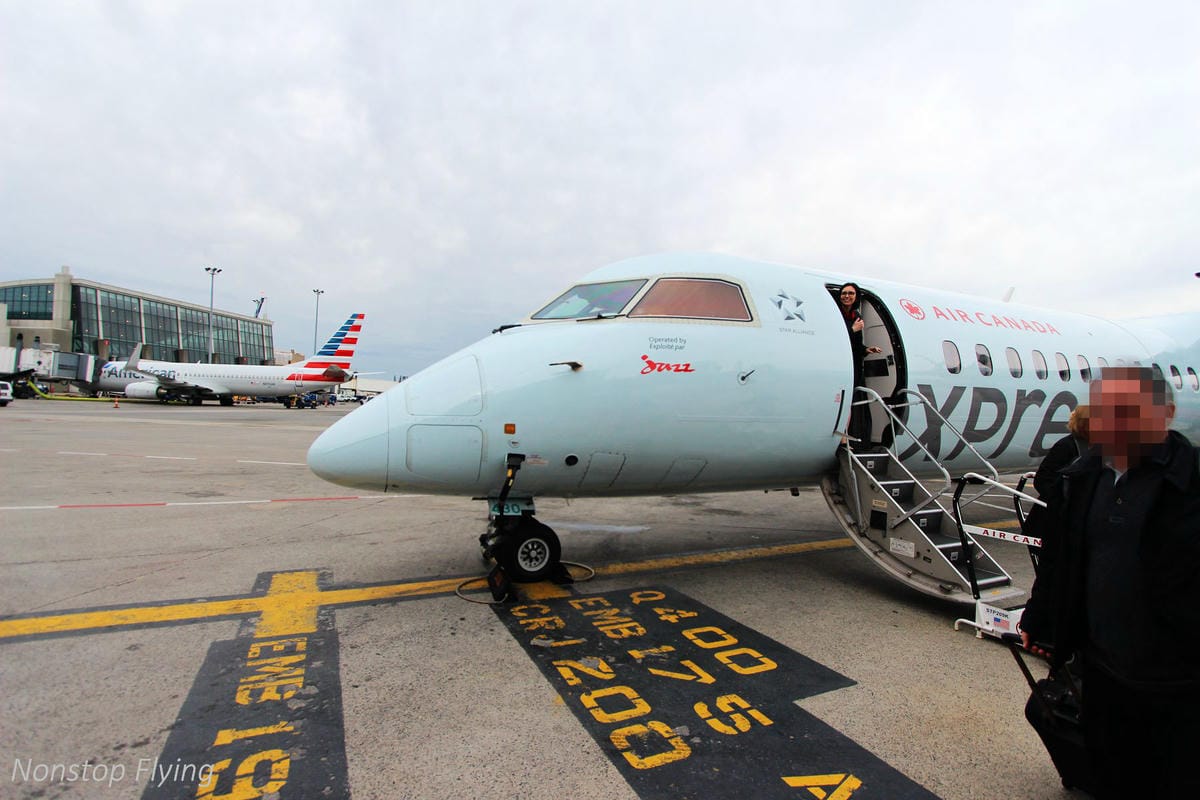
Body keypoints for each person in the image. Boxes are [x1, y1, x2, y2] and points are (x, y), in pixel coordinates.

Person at [1020, 366, 1200, 797]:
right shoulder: (1084, 479)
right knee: (1109, 765)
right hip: (1099, 666)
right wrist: (1041, 619)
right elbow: (1062, 560)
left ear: (1166, 413)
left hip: (1174, 677)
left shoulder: (1191, 482)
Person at [837, 283, 881, 445]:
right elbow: (835, 338)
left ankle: (845, 435)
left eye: (851, 293)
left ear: (856, 297)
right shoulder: (836, 314)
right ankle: (842, 437)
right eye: (844, 293)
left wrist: (867, 349)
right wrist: (852, 329)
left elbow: (856, 344)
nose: (846, 296)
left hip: (854, 364)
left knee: (850, 399)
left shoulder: (856, 316)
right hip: (840, 363)